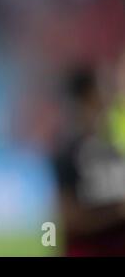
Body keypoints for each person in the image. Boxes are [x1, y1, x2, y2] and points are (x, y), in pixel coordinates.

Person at [52, 66, 125, 256]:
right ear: (87, 97)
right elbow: (68, 219)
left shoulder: (116, 145)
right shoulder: (67, 153)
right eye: (102, 87)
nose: (108, 95)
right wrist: (113, 215)